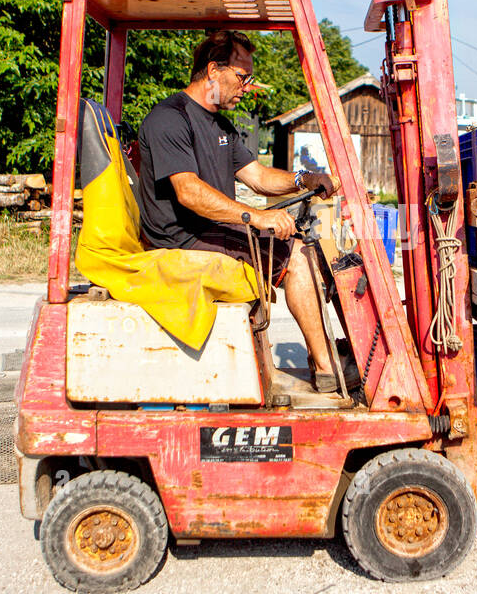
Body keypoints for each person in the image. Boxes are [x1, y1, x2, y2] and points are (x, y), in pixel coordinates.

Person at [138, 30, 341, 390]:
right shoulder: (170, 118)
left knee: (309, 248)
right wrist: (255, 216)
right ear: (214, 70)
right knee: (295, 258)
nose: (247, 86)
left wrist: (304, 179)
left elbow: (258, 176)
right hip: (181, 239)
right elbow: (189, 193)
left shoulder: (218, 124)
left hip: (204, 230)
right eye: (242, 76)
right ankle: (327, 371)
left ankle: (324, 357)